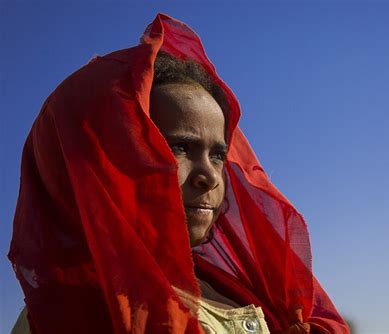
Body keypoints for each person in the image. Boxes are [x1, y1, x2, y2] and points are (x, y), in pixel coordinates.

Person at [9, 13, 350, 334]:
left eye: (218, 154)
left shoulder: (236, 288)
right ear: (102, 164)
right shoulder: (73, 313)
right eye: (178, 148)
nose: (210, 177)